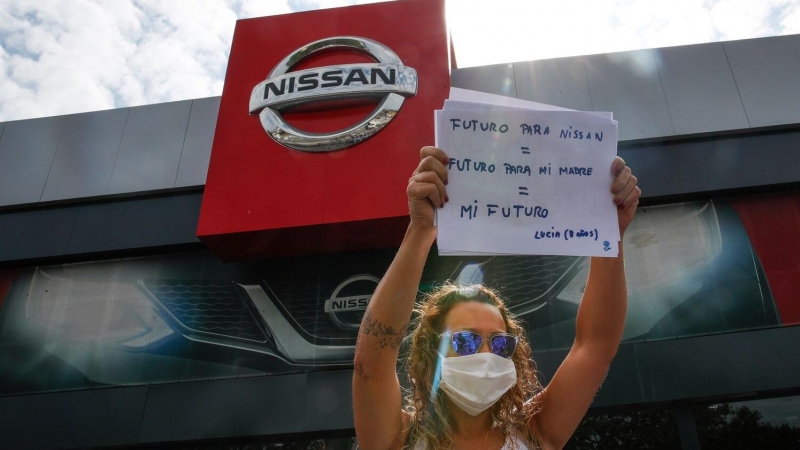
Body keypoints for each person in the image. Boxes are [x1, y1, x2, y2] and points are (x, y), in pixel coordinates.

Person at [353, 146, 641, 450]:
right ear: (431, 350)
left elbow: (595, 346)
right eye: (466, 341)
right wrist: (420, 230)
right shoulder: (400, 439)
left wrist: (611, 234)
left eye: (502, 344)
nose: (487, 355)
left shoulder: (534, 433)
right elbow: (371, 365)